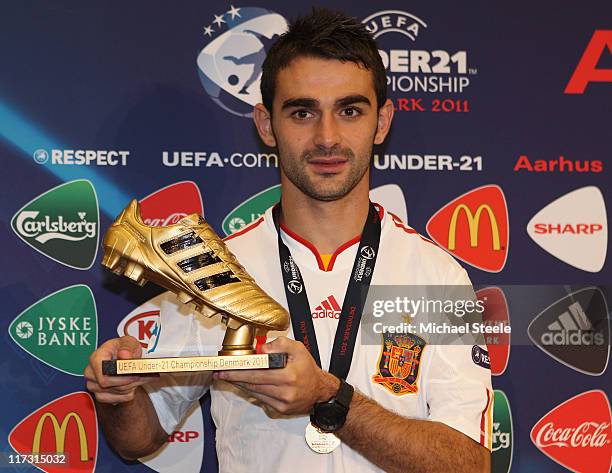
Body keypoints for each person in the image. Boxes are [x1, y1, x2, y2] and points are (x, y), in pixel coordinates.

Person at [85, 9, 492, 472]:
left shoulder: (437, 276)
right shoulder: (218, 268)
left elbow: (468, 463)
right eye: (302, 112)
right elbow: (139, 437)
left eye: (350, 110)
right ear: (266, 124)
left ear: (381, 123)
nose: (327, 137)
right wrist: (118, 396)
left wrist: (330, 397)